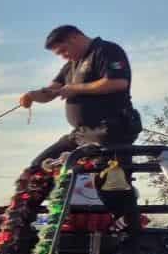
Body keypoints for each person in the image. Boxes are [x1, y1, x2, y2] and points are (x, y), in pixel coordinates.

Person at [19, 25, 140, 169]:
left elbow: (118, 82)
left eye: (63, 50)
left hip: (109, 131)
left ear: (74, 38)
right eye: (59, 54)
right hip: (81, 134)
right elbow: (52, 91)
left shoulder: (106, 50)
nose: (63, 56)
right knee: (39, 166)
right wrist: (31, 95)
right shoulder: (70, 66)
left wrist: (75, 88)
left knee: (106, 183)